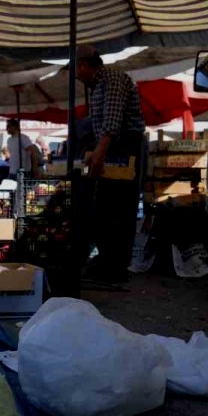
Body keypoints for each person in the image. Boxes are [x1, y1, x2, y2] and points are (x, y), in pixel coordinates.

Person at [73, 44, 146, 284]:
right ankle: (106, 261)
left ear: (84, 65)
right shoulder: (97, 87)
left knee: (119, 208)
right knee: (104, 207)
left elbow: (112, 124)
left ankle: (115, 267)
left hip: (124, 146)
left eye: (77, 70)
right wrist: (94, 152)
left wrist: (99, 154)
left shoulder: (111, 79)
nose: (77, 76)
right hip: (111, 147)